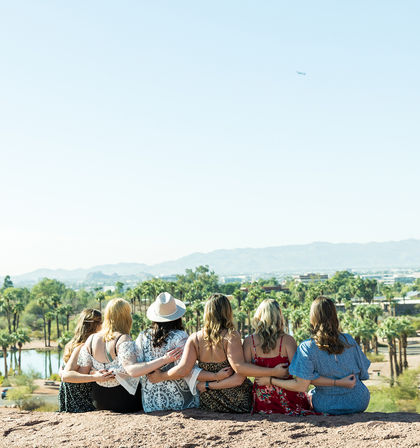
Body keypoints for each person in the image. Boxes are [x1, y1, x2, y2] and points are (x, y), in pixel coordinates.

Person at [148, 293, 290, 413]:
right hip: (236, 401)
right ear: (227, 312)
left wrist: (161, 376)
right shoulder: (231, 337)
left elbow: (183, 369)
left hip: (208, 401)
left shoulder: (195, 338)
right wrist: (273, 371)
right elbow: (239, 373)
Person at [256, 296, 370, 415]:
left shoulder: (307, 347)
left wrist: (271, 380)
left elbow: (301, 386)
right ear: (334, 316)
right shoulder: (349, 340)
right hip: (358, 402)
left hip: (326, 405)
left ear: (313, 317)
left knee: (310, 394)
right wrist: (340, 380)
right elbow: (363, 373)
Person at [134, 292, 233, 412]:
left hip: (151, 403)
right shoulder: (180, 337)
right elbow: (186, 370)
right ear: (177, 316)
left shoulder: (142, 336)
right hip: (180, 401)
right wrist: (215, 376)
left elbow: (138, 365)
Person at [59, 308, 114, 412]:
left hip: (68, 400)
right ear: (95, 325)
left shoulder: (71, 345)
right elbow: (66, 376)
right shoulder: (83, 347)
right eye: (102, 322)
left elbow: (61, 371)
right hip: (81, 403)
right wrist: (95, 377)